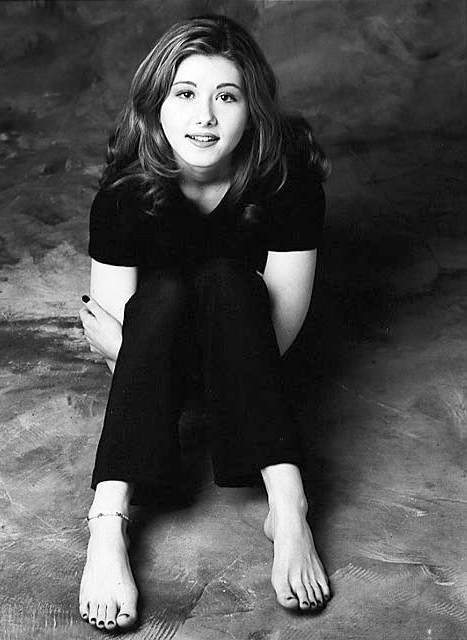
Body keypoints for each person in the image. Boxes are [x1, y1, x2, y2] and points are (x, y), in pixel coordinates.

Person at [78, 14, 331, 632]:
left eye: (227, 97)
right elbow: (115, 353)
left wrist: (146, 354)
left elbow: (276, 339)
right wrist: (147, 349)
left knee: (225, 280)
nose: (205, 117)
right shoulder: (123, 196)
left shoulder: (287, 184)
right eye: (186, 94)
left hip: (243, 349)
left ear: (253, 111)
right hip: (186, 353)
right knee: (164, 293)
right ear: (156, 106)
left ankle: (288, 505)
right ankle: (107, 521)